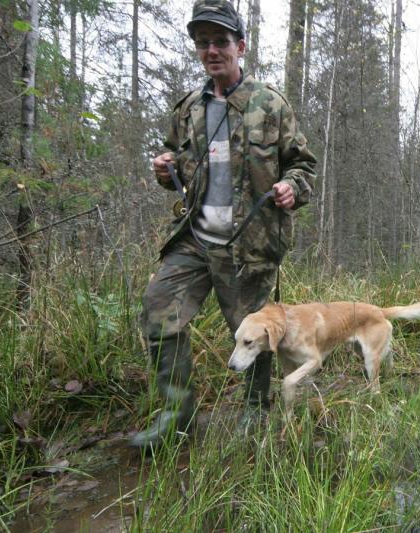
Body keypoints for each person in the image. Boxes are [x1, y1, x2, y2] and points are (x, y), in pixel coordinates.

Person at [131, 0, 317, 448]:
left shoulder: (269, 104)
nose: (212, 50)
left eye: (221, 41)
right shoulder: (189, 108)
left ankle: (255, 411)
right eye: (203, 42)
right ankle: (177, 416)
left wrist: (293, 187)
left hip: (249, 244)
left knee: (259, 333)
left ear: (241, 47)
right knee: (158, 312)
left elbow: (303, 166)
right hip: (194, 239)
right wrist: (165, 169)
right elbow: (175, 162)